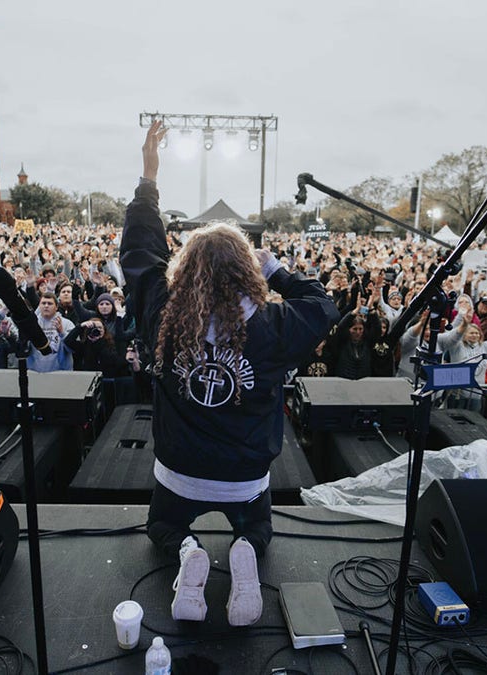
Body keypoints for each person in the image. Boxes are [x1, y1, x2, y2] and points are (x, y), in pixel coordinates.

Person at [120, 121, 339, 626]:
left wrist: (149, 176)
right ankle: (244, 545)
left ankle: (189, 548)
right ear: (247, 271)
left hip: (180, 470)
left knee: (162, 525)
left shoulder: (163, 312)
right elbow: (323, 306)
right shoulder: (272, 326)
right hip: (244, 478)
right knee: (260, 529)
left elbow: (138, 252)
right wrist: (277, 269)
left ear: (185, 268)